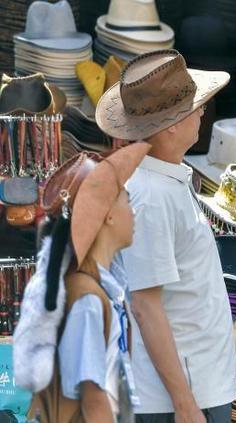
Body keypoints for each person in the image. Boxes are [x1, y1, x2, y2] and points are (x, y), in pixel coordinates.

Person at [95, 50, 236, 422]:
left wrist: (232, 331)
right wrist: (183, 402)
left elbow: (183, 290)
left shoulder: (166, 181)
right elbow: (145, 306)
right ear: (171, 125)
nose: (201, 113)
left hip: (194, 386)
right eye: (194, 106)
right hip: (173, 400)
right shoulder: (151, 196)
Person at [27, 143, 151, 422]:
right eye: (127, 202)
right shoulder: (87, 301)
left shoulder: (105, 290)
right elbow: (93, 398)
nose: (133, 213)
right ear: (107, 215)